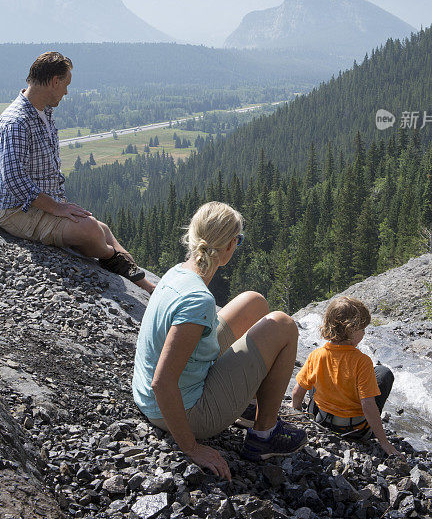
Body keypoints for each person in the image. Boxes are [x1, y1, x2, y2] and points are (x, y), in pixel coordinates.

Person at [132, 201, 307, 479]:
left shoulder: (178, 272)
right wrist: (191, 447)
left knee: (254, 302)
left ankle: (245, 405)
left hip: (155, 396)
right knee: (284, 325)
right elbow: (162, 382)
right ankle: (264, 434)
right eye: (238, 240)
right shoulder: (198, 301)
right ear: (228, 247)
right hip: (183, 412)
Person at [0, 51, 154, 293]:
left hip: (42, 205)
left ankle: (145, 284)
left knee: (102, 229)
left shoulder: (43, 112)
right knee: (90, 230)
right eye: (66, 85)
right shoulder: (16, 121)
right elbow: (14, 181)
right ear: (54, 81)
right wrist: (58, 208)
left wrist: (58, 206)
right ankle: (115, 260)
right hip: (17, 211)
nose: (66, 92)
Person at [292, 295, 402, 457]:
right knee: (383, 372)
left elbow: (296, 393)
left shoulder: (317, 355)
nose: (364, 333)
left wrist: (298, 417)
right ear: (350, 330)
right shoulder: (362, 361)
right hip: (356, 431)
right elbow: (368, 405)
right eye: (362, 329)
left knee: (316, 375)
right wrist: (384, 443)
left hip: (322, 421)